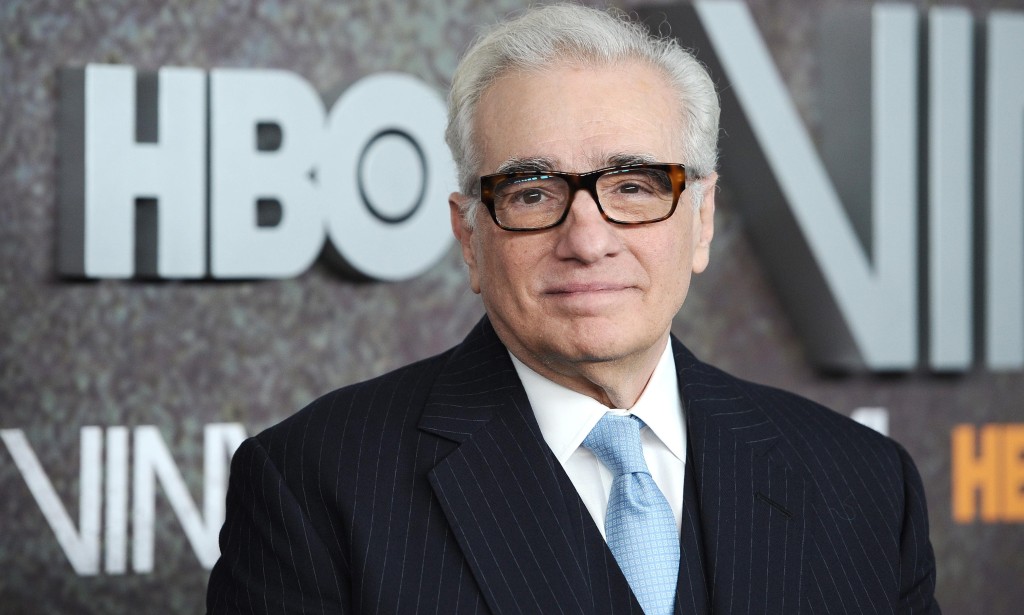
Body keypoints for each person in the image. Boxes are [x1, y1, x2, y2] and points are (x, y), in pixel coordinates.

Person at [207, 4, 939, 614]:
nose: (587, 241)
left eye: (634, 187)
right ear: (469, 236)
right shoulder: (314, 486)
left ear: (702, 219)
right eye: (532, 193)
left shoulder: (866, 482)